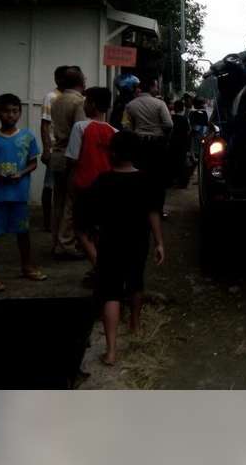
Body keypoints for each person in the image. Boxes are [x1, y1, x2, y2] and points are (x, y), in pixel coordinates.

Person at [75, 131, 164, 366]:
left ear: (112, 153)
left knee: (111, 293)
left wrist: (92, 250)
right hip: (138, 242)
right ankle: (135, 324)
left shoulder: (102, 182)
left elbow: (84, 223)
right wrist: (160, 243)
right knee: (136, 283)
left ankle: (111, 351)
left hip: (109, 244)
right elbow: (153, 213)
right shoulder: (147, 180)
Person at [0, 93, 46, 290]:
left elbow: (33, 163)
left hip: (19, 195)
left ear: (20, 113)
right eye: (6, 111)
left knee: (23, 232)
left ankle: (27, 267)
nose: (11, 115)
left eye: (15, 111)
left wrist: (21, 173)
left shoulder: (27, 137)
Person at [66, 87, 116, 283]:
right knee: (99, 230)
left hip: (85, 186)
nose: (84, 105)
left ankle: (99, 267)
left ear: (92, 104)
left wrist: (70, 185)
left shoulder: (80, 127)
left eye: (86, 102)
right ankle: (101, 266)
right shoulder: (114, 131)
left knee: (80, 229)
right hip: (108, 188)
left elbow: (72, 160)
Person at [49, 66, 86, 259]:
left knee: (59, 200)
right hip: (71, 155)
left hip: (56, 154)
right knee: (71, 202)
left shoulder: (57, 100)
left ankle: (56, 241)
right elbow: (80, 131)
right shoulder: (80, 102)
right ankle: (67, 244)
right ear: (80, 81)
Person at [124, 77, 173, 217]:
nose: (157, 89)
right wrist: (161, 133)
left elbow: (126, 126)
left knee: (140, 177)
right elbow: (169, 124)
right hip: (157, 146)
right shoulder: (159, 104)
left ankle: (140, 209)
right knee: (158, 179)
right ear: (151, 87)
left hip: (138, 145)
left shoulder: (130, 105)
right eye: (156, 86)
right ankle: (159, 209)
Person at [40, 65, 70, 232]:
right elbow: (44, 125)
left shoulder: (71, 97)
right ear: (57, 79)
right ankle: (46, 222)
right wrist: (46, 149)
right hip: (54, 148)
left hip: (67, 149)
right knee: (49, 185)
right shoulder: (51, 97)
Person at [169, 99, 190, 188]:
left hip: (172, 143)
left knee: (172, 162)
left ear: (175, 108)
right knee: (181, 162)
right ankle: (182, 182)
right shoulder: (185, 119)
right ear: (182, 108)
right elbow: (188, 131)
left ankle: (171, 181)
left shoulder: (171, 118)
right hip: (182, 144)